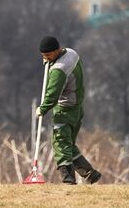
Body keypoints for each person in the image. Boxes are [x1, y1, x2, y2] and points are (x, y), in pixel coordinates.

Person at [36, 36, 102, 184]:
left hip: (64, 110)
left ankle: (68, 180)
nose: (45, 58)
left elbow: (52, 95)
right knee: (69, 144)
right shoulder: (72, 54)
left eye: (47, 55)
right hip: (77, 108)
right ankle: (90, 173)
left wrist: (43, 108)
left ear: (57, 50)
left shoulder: (58, 70)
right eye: (43, 56)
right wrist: (50, 60)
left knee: (60, 144)